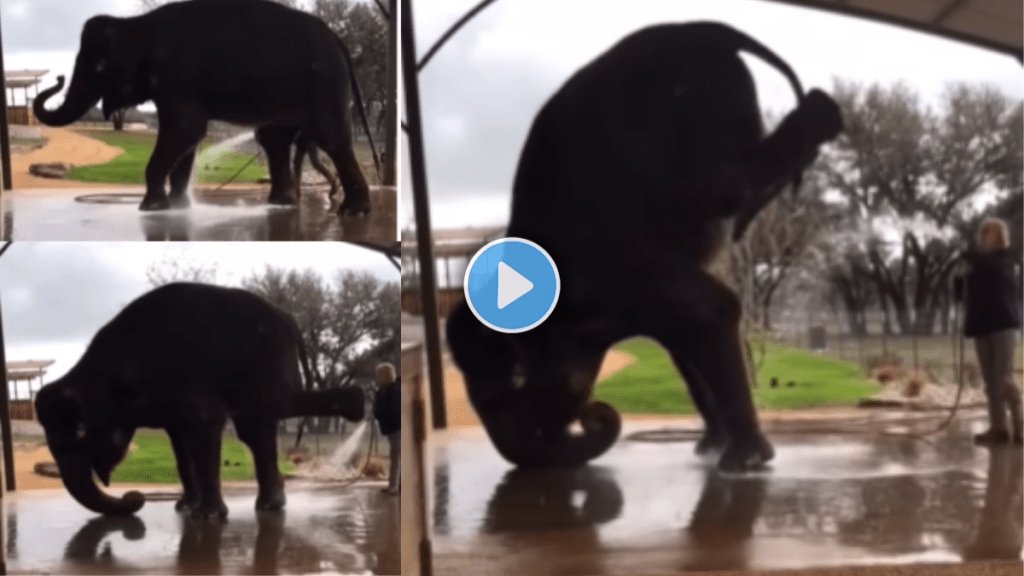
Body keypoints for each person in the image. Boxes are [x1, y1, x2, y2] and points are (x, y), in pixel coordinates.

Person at [953, 217, 1023, 444]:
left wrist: (969, 256)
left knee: (1003, 379)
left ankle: (1020, 424)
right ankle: (998, 428)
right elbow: (963, 295)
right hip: (981, 325)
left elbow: (990, 265)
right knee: (990, 382)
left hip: (1003, 325)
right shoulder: (977, 264)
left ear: (996, 236)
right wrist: (959, 279)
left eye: (985, 234)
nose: (981, 238)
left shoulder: (1006, 261)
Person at [373, 363, 401, 495]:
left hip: (397, 428)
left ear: (385, 376)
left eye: (378, 376)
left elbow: (393, 411)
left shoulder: (395, 390)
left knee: (396, 456)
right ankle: (394, 485)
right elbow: (379, 408)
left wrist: (379, 413)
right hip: (391, 429)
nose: (376, 379)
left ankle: (394, 487)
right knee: (395, 456)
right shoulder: (381, 392)